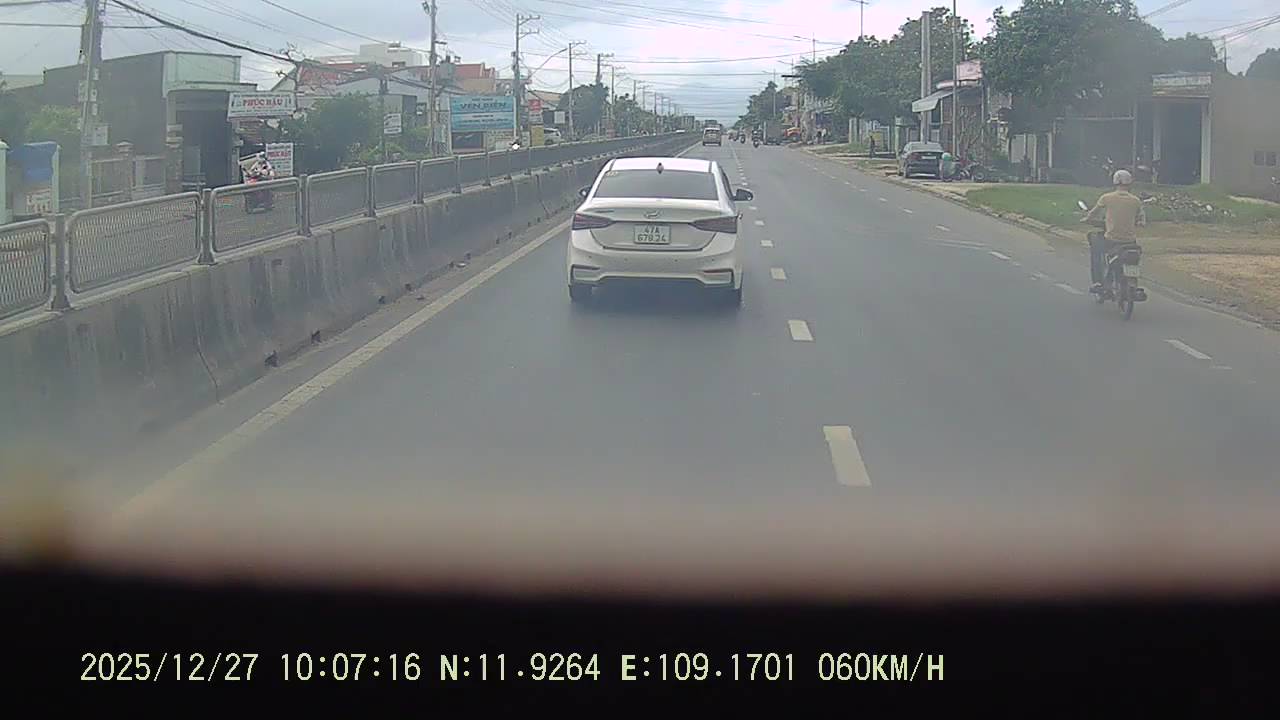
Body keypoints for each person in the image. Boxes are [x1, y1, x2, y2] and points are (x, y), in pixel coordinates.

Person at [1082, 169, 1142, 294]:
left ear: (1115, 182)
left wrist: (1086, 219)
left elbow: (1093, 213)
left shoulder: (1106, 198)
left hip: (1111, 240)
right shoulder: (1136, 200)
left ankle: (1098, 282)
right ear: (1130, 183)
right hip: (1130, 241)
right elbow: (1141, 220)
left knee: (1096, 249)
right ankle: (1133, 283)